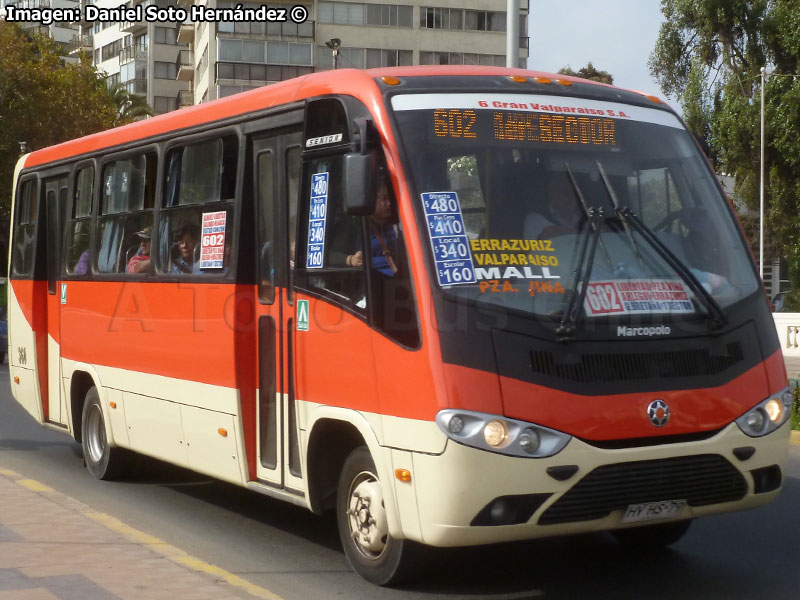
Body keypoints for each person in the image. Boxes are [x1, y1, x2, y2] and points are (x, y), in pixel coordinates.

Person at [345, 180, 398, 276]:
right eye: (384, 199)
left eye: (391, 199)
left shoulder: (398, 226)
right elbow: (331, 255)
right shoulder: (356, 226)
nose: (389, 203)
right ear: (371, 200)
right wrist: (351, 259)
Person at [523, 173, 580, 239]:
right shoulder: (534, 219)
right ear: (552, 194)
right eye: (566, 193)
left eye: (576, 193)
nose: (572, 197)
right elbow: (552, 237)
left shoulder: (585, 220)